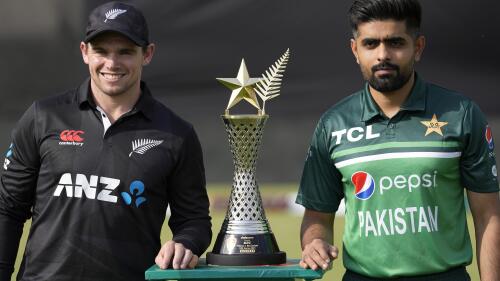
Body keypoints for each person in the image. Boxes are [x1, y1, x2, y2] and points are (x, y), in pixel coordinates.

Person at [0, 2, 211, 280]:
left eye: (125, 52)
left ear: (147, 54)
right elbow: (8, 209)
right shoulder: (44, 117)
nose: (112, 63)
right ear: (84, 52)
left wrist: (185, 243)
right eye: (101, 51)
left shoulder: (177, 134)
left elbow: (194, 221)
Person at [296, 0, 500, 280]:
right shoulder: (333, 124)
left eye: (395, 43)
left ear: (418, 47)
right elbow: (317, 218)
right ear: (355, 50)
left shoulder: (461, 114)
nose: (383, 54)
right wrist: (314, 242)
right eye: (370, 44)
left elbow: (488, 215)